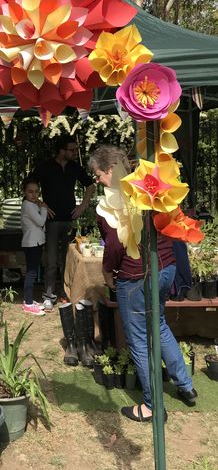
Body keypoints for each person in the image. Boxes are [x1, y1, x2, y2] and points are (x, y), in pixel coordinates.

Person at [89, 144, 197, 422]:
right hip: (166, 267)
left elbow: (114, 245)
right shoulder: (148, 185)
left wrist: (107, 270)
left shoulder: (112, 202)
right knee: (158, 325)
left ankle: (151, 406)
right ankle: (186, 386)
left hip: (136, 276)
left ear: (111, 170)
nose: (98, 180)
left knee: (138, 339)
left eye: (98, 174)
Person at [33, 135, 95, 305]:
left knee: (68, 260)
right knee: (52, 260)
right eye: (72, 150)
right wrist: (41, 203)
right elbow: (28, 187)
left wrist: (83, 205)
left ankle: (66, 293)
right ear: (61, 151)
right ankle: (48, 296)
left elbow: (90, 185)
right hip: (51, 222)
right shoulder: (45, 167)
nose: (75, 152)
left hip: (70, 220)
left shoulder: (75, 167)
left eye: (76, 149)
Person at [20, 177, 50, 316]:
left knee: (33, 271)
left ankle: (29, 299)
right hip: (31, 243)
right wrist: (44, 208)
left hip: (35, 242)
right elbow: (40, 221)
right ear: (24, 192)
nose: (34, 195)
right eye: (30, 192)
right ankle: (28, 303)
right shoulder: (27, 205)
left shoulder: (32, 204)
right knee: (31, 273)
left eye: (36, 192)